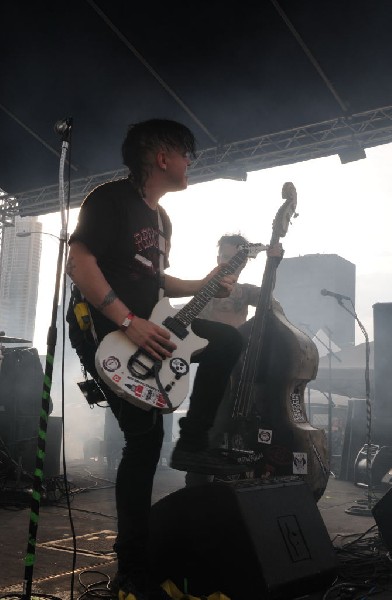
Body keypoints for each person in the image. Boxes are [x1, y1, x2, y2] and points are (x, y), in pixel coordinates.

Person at [66, 119, 251, 600]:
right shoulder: (109, 200)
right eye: (186, 152)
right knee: (143, 441)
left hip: (150, 321)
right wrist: (128, 321)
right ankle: (132, 567)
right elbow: (80, 263)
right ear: (162, 156)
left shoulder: (162, 221)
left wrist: (208, 281)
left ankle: (192, 442)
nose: (192, 161)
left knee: (229, 343)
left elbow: (158, 281)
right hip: (107, 329)